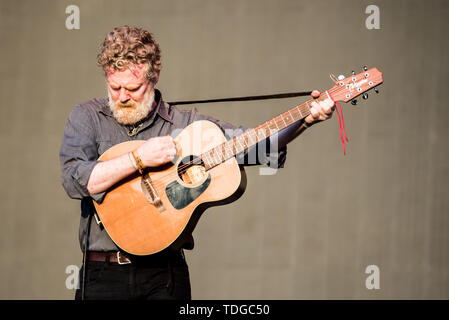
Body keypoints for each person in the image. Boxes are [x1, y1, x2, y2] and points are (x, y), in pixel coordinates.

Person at [59, 25, 335, 300]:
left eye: (133, 88)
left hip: (164, 275)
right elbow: (75, 180)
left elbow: (258, 146)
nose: (122, 97)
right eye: (114, 86)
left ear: (154, 77)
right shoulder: (88, 117)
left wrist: (306, 119)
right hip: (102, 277)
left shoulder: (188, 126)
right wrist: (138, 159)